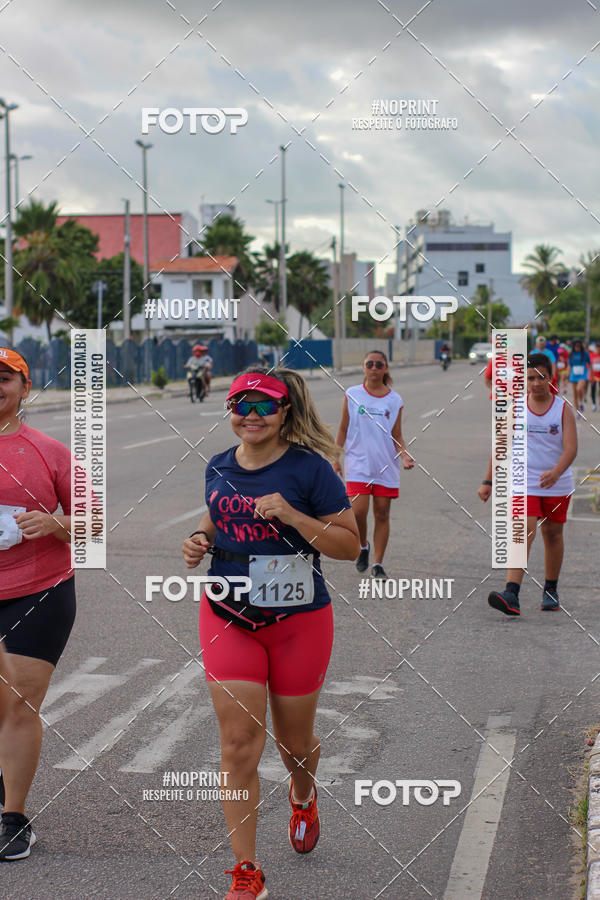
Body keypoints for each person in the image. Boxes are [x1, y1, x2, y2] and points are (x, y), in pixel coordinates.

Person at [181, 367, 359, 900]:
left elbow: (350, 546)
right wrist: (196, 537)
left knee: (294, 742)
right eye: (241, 404)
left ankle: (302, 794)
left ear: (285, 413)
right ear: (230, 410)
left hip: (297, 619)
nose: (251, 415)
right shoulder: (217, 465)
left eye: (265, 406)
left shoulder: (310, 470)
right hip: (228, 614)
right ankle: (246, 871)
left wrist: (294, 517)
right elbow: (218, 516)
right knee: (238, 746)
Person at [0, 348, 76, 860]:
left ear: (25, 389)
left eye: (5, 378)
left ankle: (14, 817)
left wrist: (54, 523)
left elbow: (93, 523)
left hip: (39, 589)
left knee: (20, 705)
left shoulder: (49, 450)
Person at [478, 352, 577, 615]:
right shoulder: (517, 408)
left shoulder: (562, 408)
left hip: (557, 484)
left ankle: (551, 589)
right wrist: (488, 481)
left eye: (541, 377)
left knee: (553, 534)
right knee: (524, 529)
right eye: (531, 378)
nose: (536, 383)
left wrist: (556, 471)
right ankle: (512, 593)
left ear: (550, 377)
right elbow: (500, 446)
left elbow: (570, 448)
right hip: (523, 481)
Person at [334, 350, 414, 580]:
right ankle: (363, 545)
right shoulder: (352, 394)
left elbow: (397, 434)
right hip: (358, 464)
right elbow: (342, 429)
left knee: (381, 513)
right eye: (370, 363)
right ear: (363, 367)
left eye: (379, 364)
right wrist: (335, 457)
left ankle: (377, 563)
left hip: (385, 465)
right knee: (358, 512)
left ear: (386, 368)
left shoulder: (394, 400)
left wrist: (405, 455)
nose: (374, 367)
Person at [567, 338, 591, 413]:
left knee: (579, 389)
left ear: (581, 346)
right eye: (576, 346)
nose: (577, 347)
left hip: (583, 375)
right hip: (573, 376)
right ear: (573, 346)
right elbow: (569, 365)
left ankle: (581, 402)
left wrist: (591, 375)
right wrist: (567, 374)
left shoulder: (585, 353)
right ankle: (578, 411)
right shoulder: (571, 354)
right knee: (575, 395)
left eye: (578, 346)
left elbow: (590, 364)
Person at [589, 342, 600, 411]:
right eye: (597, 347)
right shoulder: (591, 355)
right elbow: (589, 365)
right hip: (593, 376)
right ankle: (594, 404)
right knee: (593, 390)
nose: (598, 348)